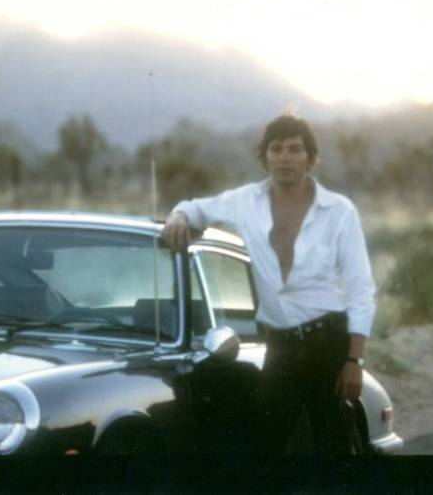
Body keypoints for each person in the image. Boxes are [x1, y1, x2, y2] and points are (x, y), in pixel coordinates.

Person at [161, 114, 376, 454]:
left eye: (295, 149)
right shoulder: (244, 201)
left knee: (333, 444)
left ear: (311, 158)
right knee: (262, 442)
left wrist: (354, 361)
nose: (285, 157)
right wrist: (178, 217)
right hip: (281, 349)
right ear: (264, 157)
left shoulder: (339, 211)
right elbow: (196, 208)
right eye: (276, 149)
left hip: (328, 345)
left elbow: (361, 288)